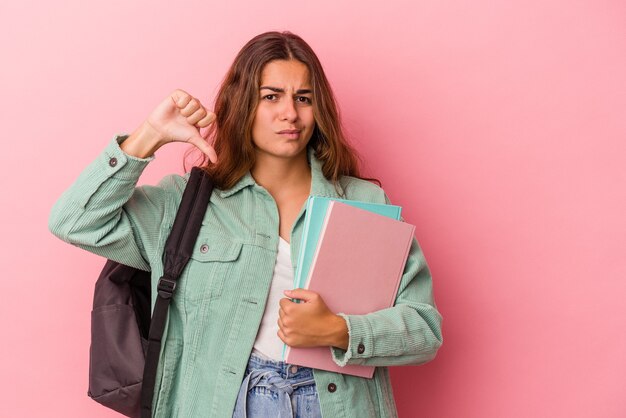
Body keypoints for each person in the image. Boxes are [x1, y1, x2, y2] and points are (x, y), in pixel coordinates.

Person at [49, 31, 443, 418]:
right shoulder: (183, 204)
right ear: (242, 105)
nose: (290, 113)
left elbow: (424, 329)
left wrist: (338, 331)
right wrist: (149, 135)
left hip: (337, 403)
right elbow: (74, 220)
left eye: (303, 98)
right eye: (271, 96)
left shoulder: (363, 203)